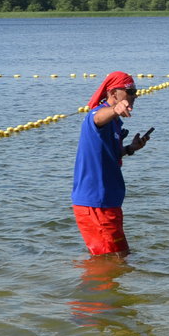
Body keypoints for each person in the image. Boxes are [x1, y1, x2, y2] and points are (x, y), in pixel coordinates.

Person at [71, 71, 151, 256]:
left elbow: (109, 155)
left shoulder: (115, 123)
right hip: (96, 204)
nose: (134, 96)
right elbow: (97, 117)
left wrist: (130, 148)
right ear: (114, 93)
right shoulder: (98, 116)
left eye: (135, 92)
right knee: (109, 260)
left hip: (109, 203)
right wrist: (114, 109)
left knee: (120, 256)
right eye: (130, 91)